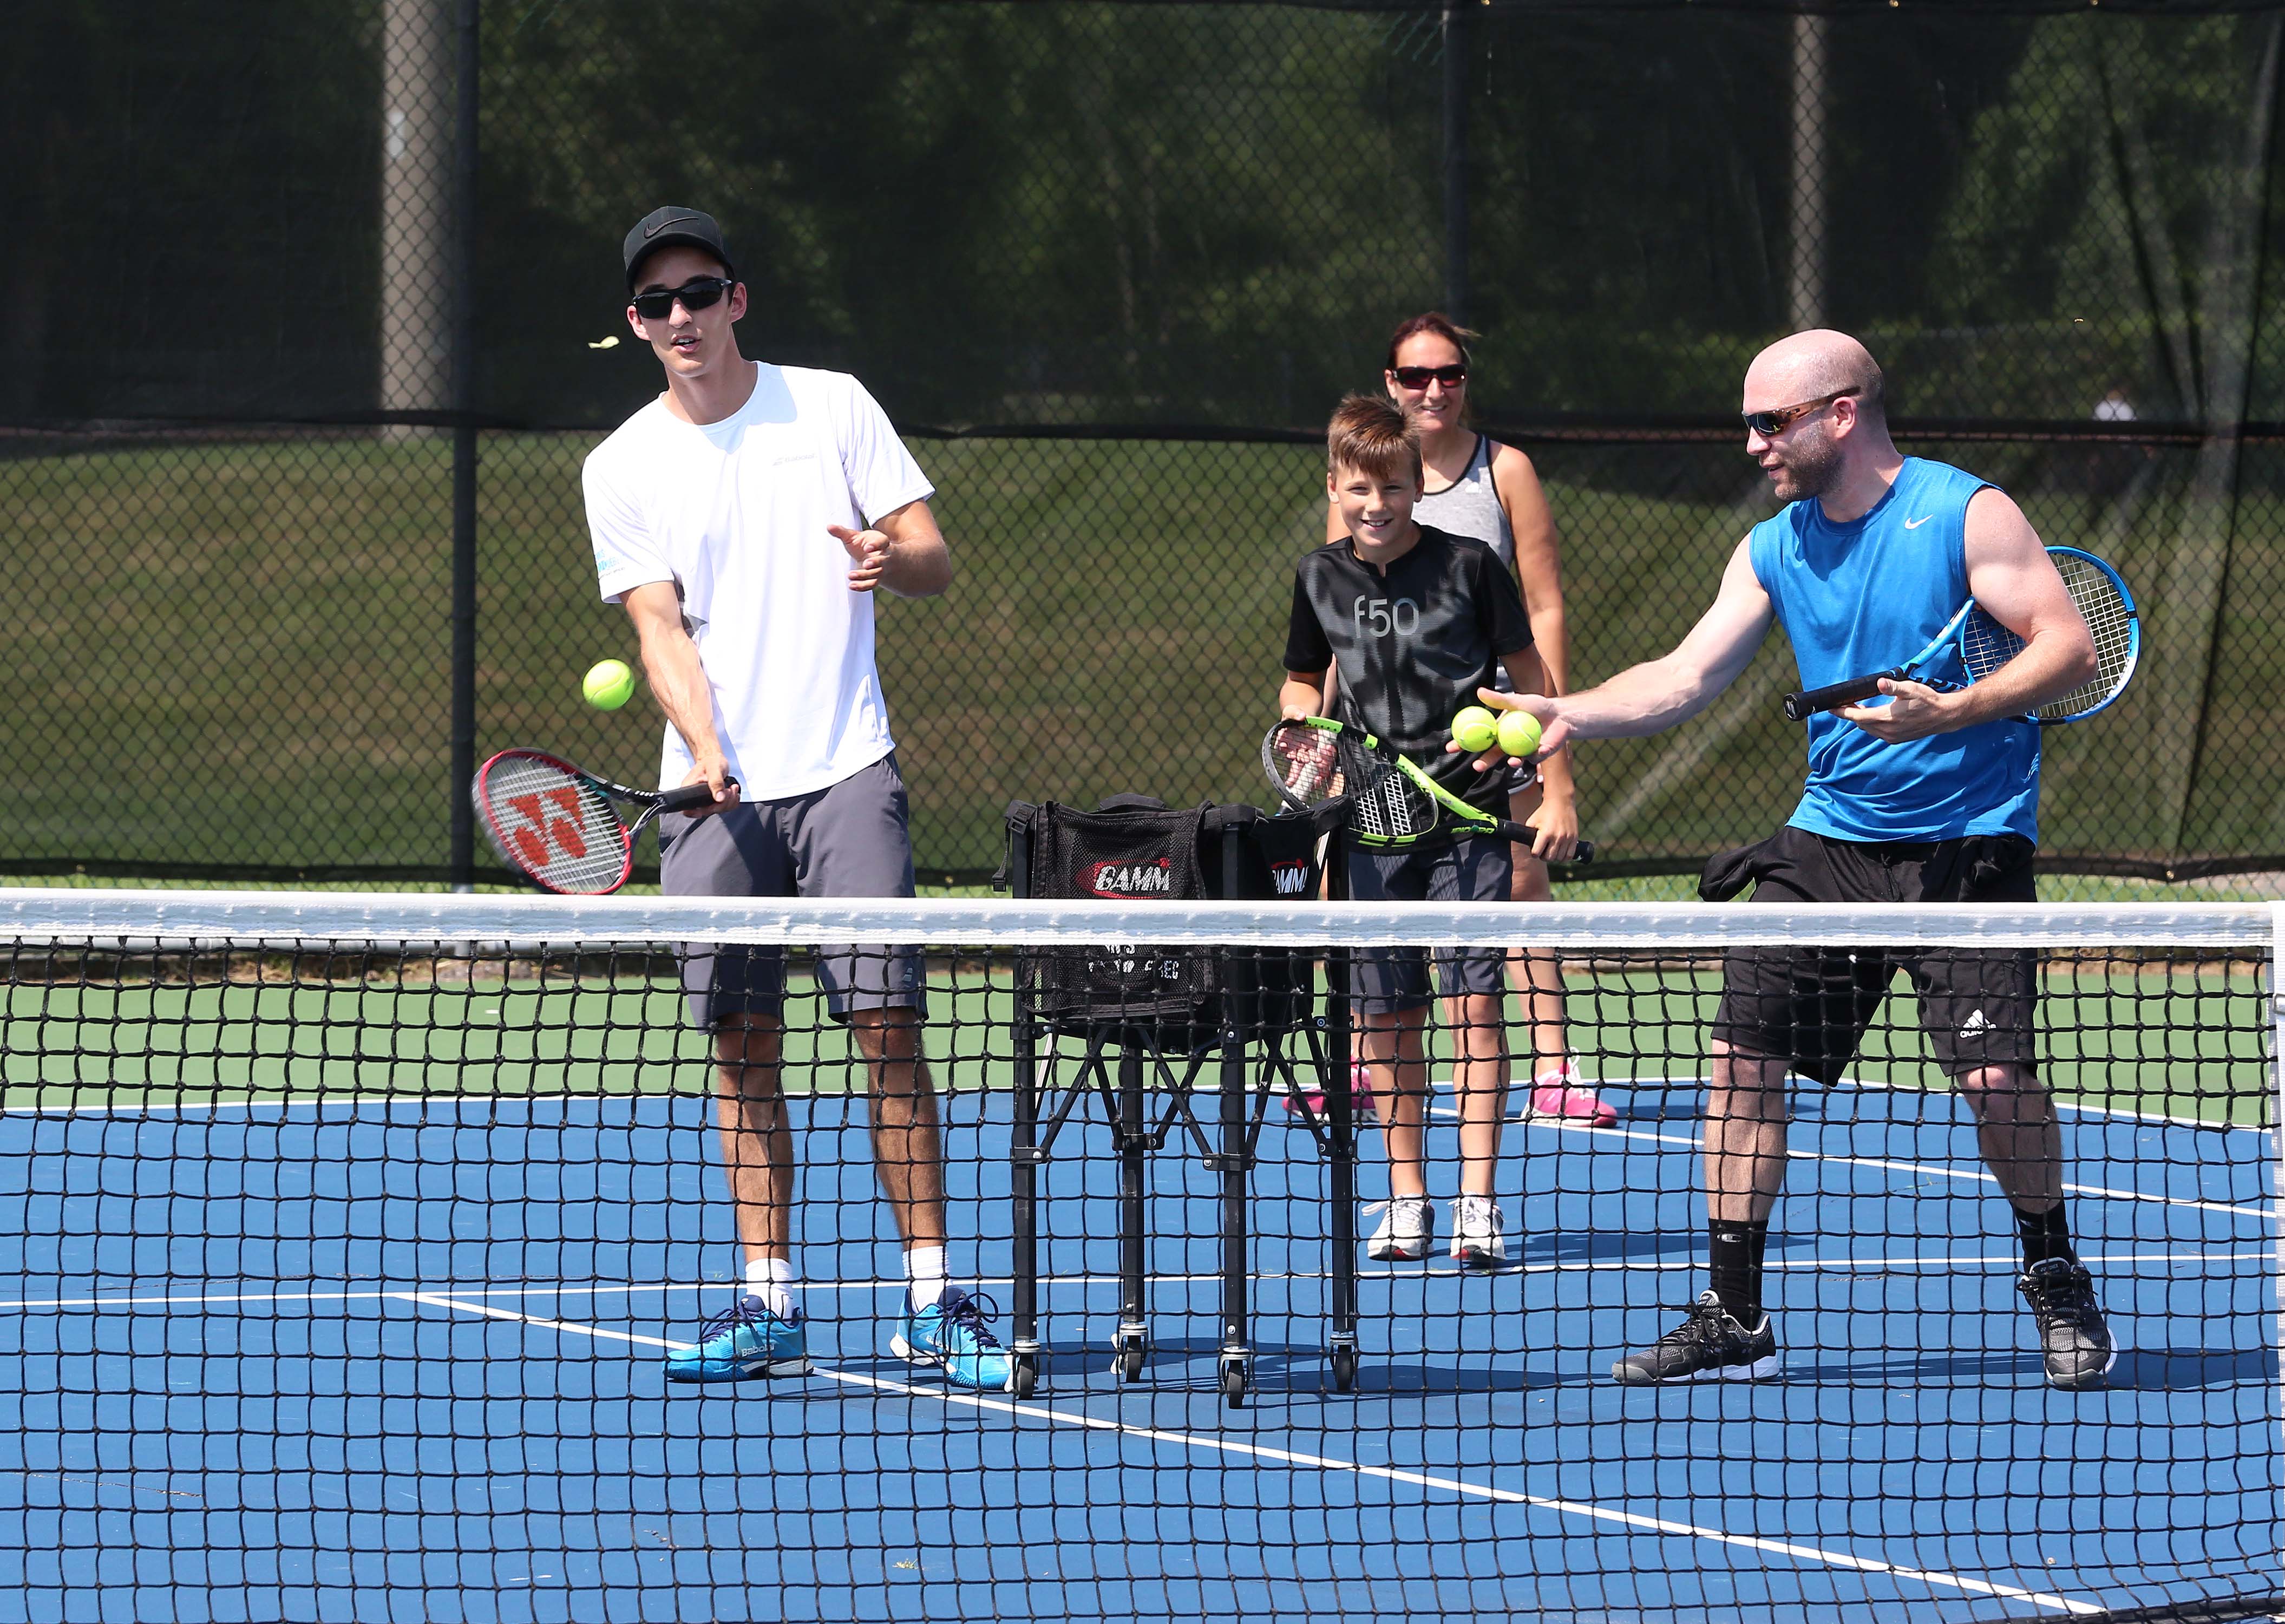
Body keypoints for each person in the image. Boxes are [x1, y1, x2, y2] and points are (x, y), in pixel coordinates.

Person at [1469, 330, 2116, 1390]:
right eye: (1748, 424)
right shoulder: (1774, 545)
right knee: (1738, 1060)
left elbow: (2064, 645)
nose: (1752, 444)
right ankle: (1733, 1309)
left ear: (1841, 413)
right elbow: (1684, 675)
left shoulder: (1965, 513)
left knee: (1994, 1079)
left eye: (1770, 422)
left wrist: (1952, 709)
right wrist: (1565, 713)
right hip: (1828, 842)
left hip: (1967, 846)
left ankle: (2051, 1269)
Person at [582, 205, 1011, 1390]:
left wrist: (891, 560)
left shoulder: (830, 406)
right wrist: (705, 745)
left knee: (887, 1031)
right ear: (636, 324)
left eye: (700, 292)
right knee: (741, 1045)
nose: (682, 317)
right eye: (658, 302)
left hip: (845, 772)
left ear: (737, 300)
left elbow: (928, 555)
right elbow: (656, 628)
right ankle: (767, 1300)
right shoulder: (618, 465)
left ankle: (933, 1300)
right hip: (712, 800)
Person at [1326, 315, 1612, 1128]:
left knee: (1520, 875)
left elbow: (1544, 602)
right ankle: (1358, 1058)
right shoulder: (1359, 478)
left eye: (1448, 373)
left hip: (1494, 721)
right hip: (1385, 724)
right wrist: (1327, 730)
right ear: (1390, 384)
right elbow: (1338, 602)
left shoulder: (1505, 469)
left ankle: (1554, 1065)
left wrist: (1543, 709)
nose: (1432, 389)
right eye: (1415, 376)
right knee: (1368, 884)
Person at [1282, 394, 1548, 1267]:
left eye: (1392, 488)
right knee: (1386, 1016)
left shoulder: (1471, 566)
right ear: (1336, 487)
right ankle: (1407, 1197)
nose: (1376, 505)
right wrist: (1305, 735)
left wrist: (1538, 768)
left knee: (1474, 1003)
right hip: (1367, 823)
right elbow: (1300, 683)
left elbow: (1528, 678)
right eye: (1359, 489)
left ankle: (1477, 1202)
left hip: (1468, 816)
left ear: (1415, 489)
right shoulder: (1316, 577)